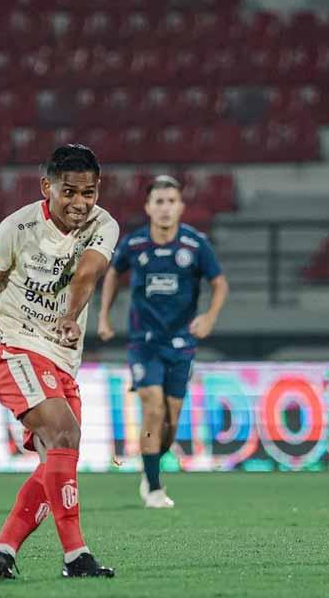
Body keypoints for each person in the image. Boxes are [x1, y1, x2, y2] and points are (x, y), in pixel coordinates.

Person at [0, 144, 119, 579]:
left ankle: (2, 551)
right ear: (47, 187)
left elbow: (88, 272)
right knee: (65, 433)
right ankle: (76, 556)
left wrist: (69, 315)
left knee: (56, 460)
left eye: (89, 192)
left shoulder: (105, 225)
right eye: (70, 192)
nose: (81, 203)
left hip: (63, 360)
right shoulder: (17, 227)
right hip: (15, 349)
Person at [97, 174, 228, 508]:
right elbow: (113, 272)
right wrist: (104, 316)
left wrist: (210, 317)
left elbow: (220, 283)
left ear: (181, 207)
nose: (166, 208)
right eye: (159, 202)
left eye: (171, 201)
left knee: (170, 419)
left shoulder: (196, 245)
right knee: (152, 408)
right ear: (148, 207)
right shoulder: (135, 244)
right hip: (144, 343)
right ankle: (154, 488)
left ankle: (151, 464)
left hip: (182, 344)